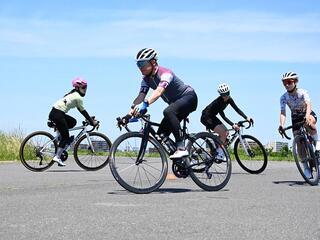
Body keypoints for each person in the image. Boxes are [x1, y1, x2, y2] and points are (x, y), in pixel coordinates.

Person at [124, 48, 198, 159]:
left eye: (143, 63)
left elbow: (158, 92)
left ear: (153, 62)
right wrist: (128, 115)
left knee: (168, 111)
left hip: (189, 97)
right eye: (138, 64)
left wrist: (146, 104)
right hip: (176, 104)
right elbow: (140, 97)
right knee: (160, 136)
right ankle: (186, 161)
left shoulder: (165, 73)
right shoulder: (146, 79)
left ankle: (181, 148)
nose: (140, 67)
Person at [278, 71, 320, 178]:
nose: (287, 85)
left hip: (307, 113)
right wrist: (281, 125)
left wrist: (306, 115)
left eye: (289, 82)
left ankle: (318, 144)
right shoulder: (283, 98)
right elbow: (283, 113)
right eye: (284, 83)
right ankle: (306, 168)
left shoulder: (302, 92)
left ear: (295, 82)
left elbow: (308, 104)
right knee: (299, 143)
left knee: (309, 122)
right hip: (295, 117)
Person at [48, 77, 98, 166]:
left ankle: (61, 138)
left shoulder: (73, 94)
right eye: (83, 88)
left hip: (56, 113)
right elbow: (83, 111)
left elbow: (82, 111)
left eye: (86, 87)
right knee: (66, 136)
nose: (85, 90)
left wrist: (89, 119)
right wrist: (92, 122)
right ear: (77, 88)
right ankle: (57, 156)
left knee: (73, 122)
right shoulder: (77, 97)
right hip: (58, 114)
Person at [200, 83, 253, 158]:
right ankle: (218, 154)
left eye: (227, 94)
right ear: (220, 95)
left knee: (226, 133)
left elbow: (237, 109)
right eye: (223, 95)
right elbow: (223, 116)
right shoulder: (219, 102)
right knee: (224, 133)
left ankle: (216, 150)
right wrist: (233, 124)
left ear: (229, 92)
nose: (225, 96)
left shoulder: (229, 99)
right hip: (206, 117)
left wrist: (246, 117)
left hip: (212, 116)